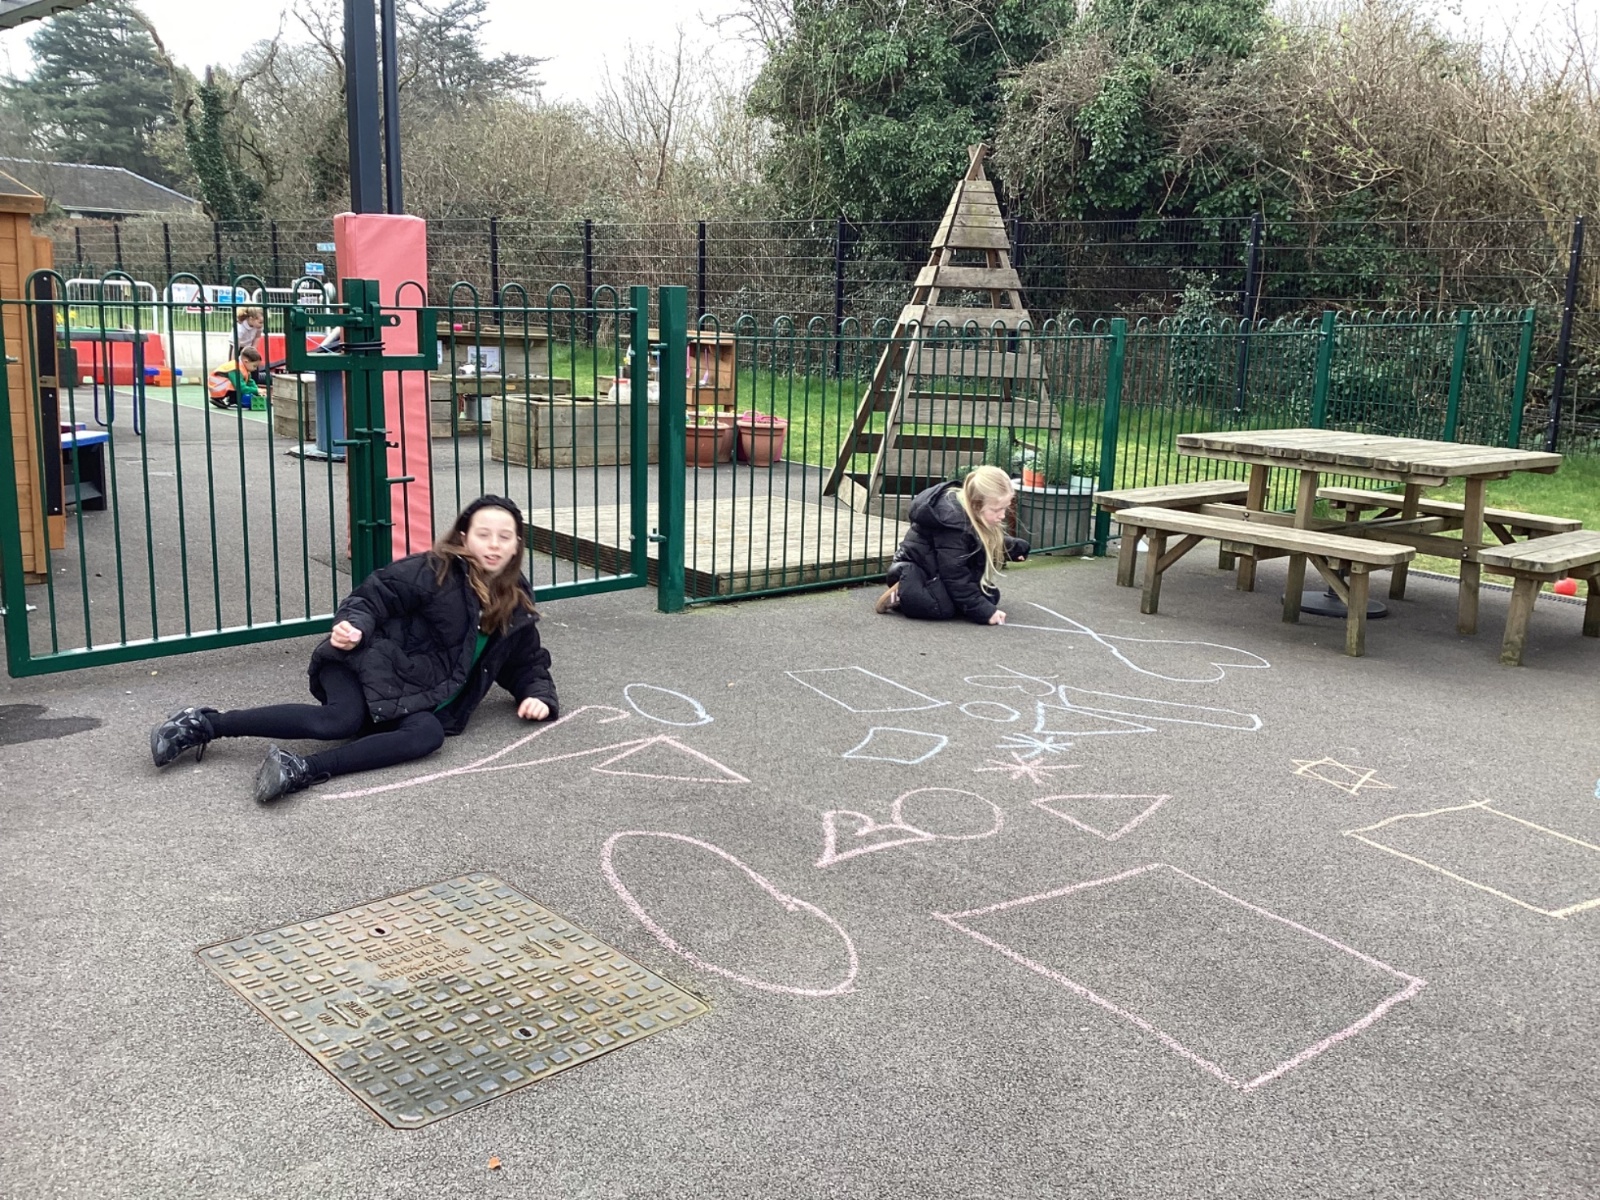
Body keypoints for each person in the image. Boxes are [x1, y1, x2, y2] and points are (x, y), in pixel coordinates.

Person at [149, 495, 560, 804]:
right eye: (483, 534)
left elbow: (526, 660)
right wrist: (353, 625)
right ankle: (204, 724)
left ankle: (300, 769)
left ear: (517, 544)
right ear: (464, 537)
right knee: (340, 720)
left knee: (429, 734)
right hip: (363, 659)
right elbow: (371, 597)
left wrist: (537, 694)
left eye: (504, 537)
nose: (493, 544)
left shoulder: (516, 600)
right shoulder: (433, 570)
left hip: (416, 695)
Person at [875, 464, 1029, 625]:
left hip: (938, 567)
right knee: (941, 607)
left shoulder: (970, 511)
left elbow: (981, 541)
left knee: (990, 596)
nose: (1002, 515)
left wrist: (1015, 548)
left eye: (1005, 508)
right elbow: (955, 574)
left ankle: (927, 592)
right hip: (917, 570)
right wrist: (984, 613)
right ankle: (904, 591)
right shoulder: (952, 526)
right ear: (976, 505)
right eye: (997, 510)